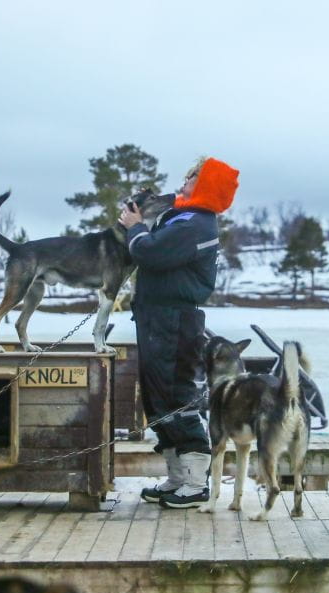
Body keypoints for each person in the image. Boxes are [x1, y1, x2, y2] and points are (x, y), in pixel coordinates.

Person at [119, 156, 240, 508]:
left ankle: (195, 479)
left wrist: (135, 228)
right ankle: (177, 476)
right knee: (157, 395)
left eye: (193, 176)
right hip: (157, 317)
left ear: (204, 185)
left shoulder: (196, 224)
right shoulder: (184, 217)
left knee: (176, 392)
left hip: (175, 319)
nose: (184, 179)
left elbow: (152, 253)